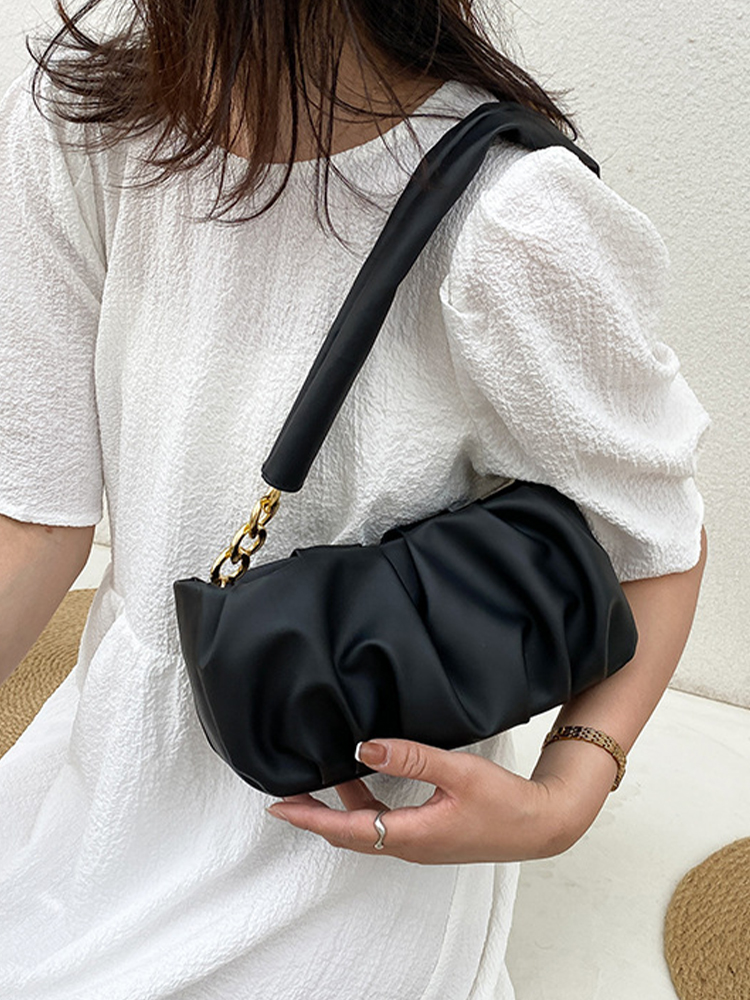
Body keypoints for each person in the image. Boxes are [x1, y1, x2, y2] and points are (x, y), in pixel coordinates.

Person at [0, 1, 709, 997]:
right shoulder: (82, 121)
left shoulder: (511, 214)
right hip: (114, 754)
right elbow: (35, 523)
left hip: (363, 807)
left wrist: (564, 794)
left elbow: (660, 542)